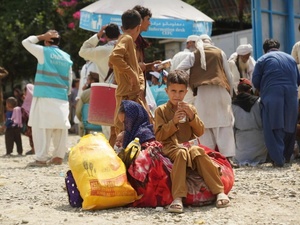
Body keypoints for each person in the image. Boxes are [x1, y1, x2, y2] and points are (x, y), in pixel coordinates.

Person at [154, 70, 230, 213]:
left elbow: (200, 131)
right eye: (173, 91)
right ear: (167, 91)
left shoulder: (190, 108)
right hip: (172, 147)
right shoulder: (161, 111)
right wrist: (173, 122)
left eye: (181, 91)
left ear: (186, 92)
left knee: (198, 151)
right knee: (182, 153)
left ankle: (219, 191)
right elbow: (159, 135)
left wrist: (191, 117)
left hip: (190, 145)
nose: (177, 95)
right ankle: (177, 197)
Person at [176, 34, 236, 164]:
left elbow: (178, 69)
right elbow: (229, 75)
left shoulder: (194, 54)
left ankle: (209, 158)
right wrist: (230, 92)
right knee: (224, 125)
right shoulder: (220, 52)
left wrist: (191, 81)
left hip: (202, 93)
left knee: (205, 126)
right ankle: (228, 159)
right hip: (220, 91)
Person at [22, 30, 73, 167]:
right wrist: (65, 93)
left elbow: (25, 42)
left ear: (47, 41)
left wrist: (40, 36)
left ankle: (41, 158)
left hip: (44, 95)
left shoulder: (44, 52)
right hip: (61, 96)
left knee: (41, 127)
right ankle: (58, 157)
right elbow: (69, 78)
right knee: (60, 127)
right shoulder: (66, 57)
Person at [252, 39, 300, 167]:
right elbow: (298, 79)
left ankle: (278, 160)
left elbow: (255, 81)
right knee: (290, 124)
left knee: (273, 125)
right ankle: (287, 156)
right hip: (291, 94)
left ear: (264, 49)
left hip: (272, 94)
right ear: (278, 48)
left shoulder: (262, 60)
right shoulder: (290, 59)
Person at [108, 9, 149, 142]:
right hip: (126, 95)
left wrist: (139, 82)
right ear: (138, 27)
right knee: (122, 132)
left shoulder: (124, 40)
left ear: (122, 27)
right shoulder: (127, 38)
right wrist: (131, 75)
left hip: (132, 95)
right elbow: (114, 58)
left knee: (132, 132)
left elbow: (135, 67)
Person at [232, 78, 268, 166]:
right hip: (259, 143)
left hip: (241, 145)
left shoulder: (232, 104)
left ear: (238, 91)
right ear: (250, 90)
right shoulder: (259, 102)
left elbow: (232, 128)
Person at [171, 35, 198, 105]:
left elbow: (172, 71)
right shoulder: (191, 55)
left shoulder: (176, 55)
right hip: (187, 88)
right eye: (195, 43)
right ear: (189, 43)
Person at [21, 83, 35, 155]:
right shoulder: (36, 100)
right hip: (36, 121)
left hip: (30, 122)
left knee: (32, 135)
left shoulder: (27, 101)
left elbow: (24, 113)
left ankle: (33, 149)